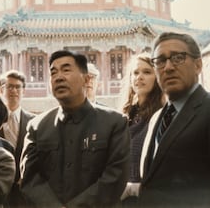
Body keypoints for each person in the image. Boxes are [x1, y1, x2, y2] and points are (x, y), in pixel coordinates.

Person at [138, 32, 210, 208]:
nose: (168, 67)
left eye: (178, 58)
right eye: (160, 61)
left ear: (198, 65)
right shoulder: (157, 118)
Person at [19, 50, 130, 208]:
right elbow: (29, 179)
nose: (59, 77)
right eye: (53, 72)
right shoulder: (37, 127)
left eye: (66, 70)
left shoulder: (114, 123)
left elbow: (115, 177)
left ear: (86, 79)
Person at [119, 53, 164, 204]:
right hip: (122, 197)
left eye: (147, 72)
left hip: (149, 198)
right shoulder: (125, 115)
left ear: (157, 77)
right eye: (135, 72)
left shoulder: (162, 115)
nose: (139, 77)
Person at [0, 69, 35, 206]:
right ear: (1, 90)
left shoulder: (35, 122)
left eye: (18, 87)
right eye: (9, 86)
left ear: (23, 91)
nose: (14, 90)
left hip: (25, 192)